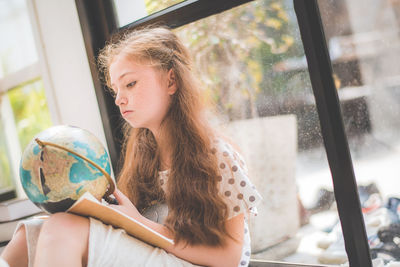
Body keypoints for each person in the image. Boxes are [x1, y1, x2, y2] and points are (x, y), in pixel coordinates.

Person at [0, 26, 262, 267]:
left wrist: (138, 222)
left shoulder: (216, 155)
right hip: (162, 254)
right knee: (32, 231)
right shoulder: (144, 155)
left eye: (130, 83)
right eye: (115, 89)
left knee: (62, 229)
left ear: (171, 81)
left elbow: (230, 257)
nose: (119, 99)